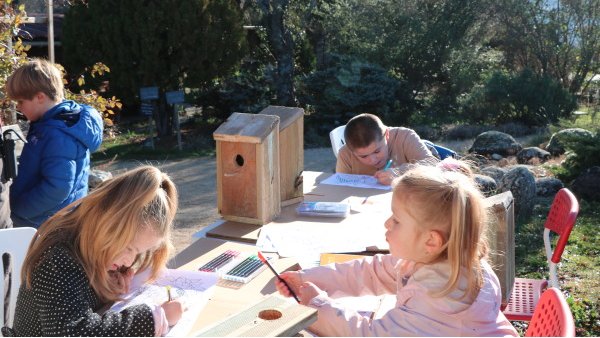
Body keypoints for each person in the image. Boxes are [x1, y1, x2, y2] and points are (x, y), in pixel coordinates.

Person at [275, 162, 518, 336]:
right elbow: (373, 271)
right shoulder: (442, 257)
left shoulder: (439, 297)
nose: (387, 224)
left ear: (431, 241)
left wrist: (316, 305)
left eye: (397, 220)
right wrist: (308, 279)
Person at [1, 165, 185, 336]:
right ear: (106, 222)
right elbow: (74, 332)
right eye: (129, 248)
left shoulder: (90, 248)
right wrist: (155, 318)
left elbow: (82, 305)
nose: (129, 262)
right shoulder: (55, 259)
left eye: (137, 253)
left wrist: (109, 288)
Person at [5, 58, 103, 228]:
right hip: (47, 217)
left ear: (40, 97)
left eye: (21, 102)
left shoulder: (58, 133)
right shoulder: (49, 124)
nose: (19, 108)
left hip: (45, 223)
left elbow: (58, 186)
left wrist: (18, 209)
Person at [336, 113, 437, 185]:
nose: (373, 159)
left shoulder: (405, 136)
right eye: (363, 156)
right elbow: (339, 187)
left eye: (377, 151)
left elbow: (432, 163)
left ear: (387, 135)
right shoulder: (345, 153)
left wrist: (399, 173)